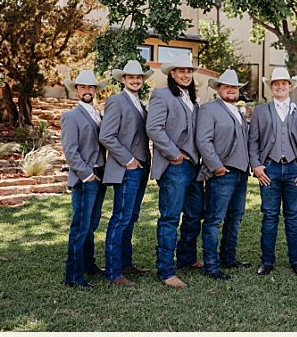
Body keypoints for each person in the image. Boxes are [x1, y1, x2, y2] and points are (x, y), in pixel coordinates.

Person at [248, 68, 297, 277]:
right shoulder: (261, 111)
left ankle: (296, 260)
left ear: (290, 86)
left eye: (284, 83)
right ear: (271, 87)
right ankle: (267, 261)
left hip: (296, 168)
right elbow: (253, 141)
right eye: (276, 83)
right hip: (270, 168)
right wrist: (256, 165)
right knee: (269, 216)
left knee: (293, 216)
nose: (280, 86)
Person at [146, 61, 205, 289]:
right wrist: (174, 154)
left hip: (194, 166)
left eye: (189, 71)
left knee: (194, 213)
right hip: (174, 166)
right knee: (170, 217)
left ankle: (187, 257)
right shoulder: (162, 95)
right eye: (181, 71)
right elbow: (153, 128)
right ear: (172, 73)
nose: (186, 75)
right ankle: (165, 270)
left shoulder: (193, 100)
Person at [194, 68, 252, 281]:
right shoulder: (209, 109)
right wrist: (216, 166)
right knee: (214, 220)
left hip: (241, 173)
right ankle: (211, 265)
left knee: (235, 217)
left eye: (234, 87)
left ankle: (229, 257)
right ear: (219, 88)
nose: (231, 90)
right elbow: (203, 140)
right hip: (221, 173)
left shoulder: (239, 111)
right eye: (227, 86)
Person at [99, 60, 152, 288]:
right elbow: (107, 136)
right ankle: (112, 271)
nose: (135, 80)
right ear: (122, 79)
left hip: (140, 168)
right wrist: (129, 160)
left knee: (132, 217)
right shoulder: (116, 101)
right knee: (121, 218)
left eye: (139, 77)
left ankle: (126, 264)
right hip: (126, 169)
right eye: (131, 77)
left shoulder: (140, 103)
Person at [61, 70, 107, 290]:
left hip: (101, 175)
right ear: (76, 90)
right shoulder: (71, 116)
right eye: (83, 87)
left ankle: (89, 265)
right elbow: (70, 152)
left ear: (95, 90)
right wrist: (86, 174)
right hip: (86, 177)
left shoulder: (99, 113)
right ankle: (73, 275)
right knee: (80, 226)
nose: (87, 91)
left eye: (91, 87)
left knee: (92, 224)